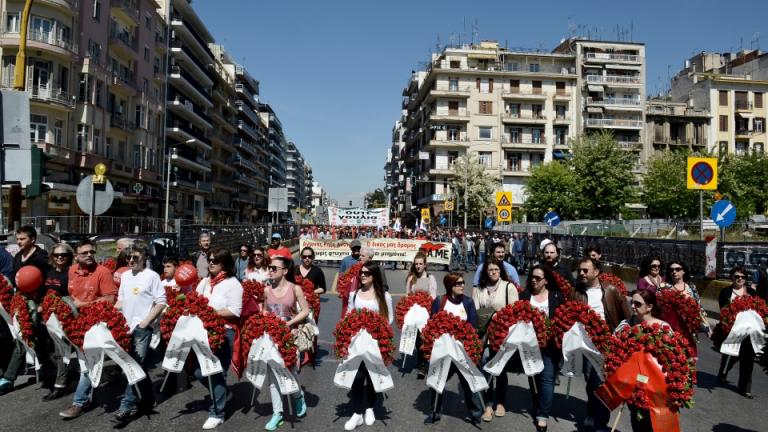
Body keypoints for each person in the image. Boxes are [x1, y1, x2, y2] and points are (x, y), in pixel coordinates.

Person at [569, 257, 631, 432]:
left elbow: (627, 317)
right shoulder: (575, 291)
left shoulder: (611, 291)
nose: (581, 273)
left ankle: (600, 422)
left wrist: (620, 340)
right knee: (591, 382)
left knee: (601, 383)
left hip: (608, 346)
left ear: (596, 272)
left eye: (585, 270)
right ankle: (592, 412)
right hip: (585, 345)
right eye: (579, 270)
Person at [59, 240, 117, 420]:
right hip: (75, 325)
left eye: (92, 252)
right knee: (86, 362)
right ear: (76, 256)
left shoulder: (103, 272)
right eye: (84, 253)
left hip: (95, 325)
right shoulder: (71, 271)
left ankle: (79, 402)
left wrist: (83, 305)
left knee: (88, 364)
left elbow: (109, 299)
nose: (89, 255)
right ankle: (98, 388)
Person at [113, 244, 166, 424]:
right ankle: (149, 399)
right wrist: (108, 315)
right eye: (128, 257)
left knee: (133, 366)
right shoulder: (126, 276)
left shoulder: (152, 276)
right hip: (126, 328)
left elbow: (161, 302)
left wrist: (145, 323)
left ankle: (126, 405)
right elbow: (121, 300)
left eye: (135, 257)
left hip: (142, 328)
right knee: (138, 366)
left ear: (144, 257)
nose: (131, 260)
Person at [424, 272, 482, 425]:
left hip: (462, 351)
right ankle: (434, 412)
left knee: (468, 383)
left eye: (463, 283)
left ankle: (476, 412)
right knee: (437, 382)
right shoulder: (440, 301)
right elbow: (432, 323)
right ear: (450, 286)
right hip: (444, 351)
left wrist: (462, 336)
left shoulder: (468, 302)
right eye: (458, 283)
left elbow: (473, 325)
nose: (462, 285)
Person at [194, 248, 242, 429]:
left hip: (224, 332)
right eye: (210, 260)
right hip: (202, 332)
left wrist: (211, 313)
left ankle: (217, 413)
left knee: (216, 372)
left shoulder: (233, 284)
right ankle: (222, 392)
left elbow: (235, 311)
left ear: (225, 264)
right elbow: (195, 300)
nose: (211, 263)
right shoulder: (205, 282)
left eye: (216, 260)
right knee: (199, 372)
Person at [261, 256, 309, 430]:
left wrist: (288, 323)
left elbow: (305, 311)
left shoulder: (295, 289)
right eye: (270, 267)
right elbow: (265, 310)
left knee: (289, 373)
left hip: (290, 336)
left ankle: (298, 396)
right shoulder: (267, 290)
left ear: (285, 271)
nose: (271, 270)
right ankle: (277, 414)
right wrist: (265, 321)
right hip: (271, 337)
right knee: (272, 376)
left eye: (274, 267)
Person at [344, 262, 393, 431]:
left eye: (366, 273)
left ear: (374, 276)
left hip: (375, 342)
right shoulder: (354, 294)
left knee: (372, 375)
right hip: (357, 342)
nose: (362, 275)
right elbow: (349, 316)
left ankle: (370, 408)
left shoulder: (384, 296)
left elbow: (388, 319)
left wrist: (375, 329)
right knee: (357, 377)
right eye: (361, 273)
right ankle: (357, 413)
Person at [519, 265, 565, 432]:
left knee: (547, 378)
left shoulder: (556, 296)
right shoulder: (524, 296)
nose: (534, 280)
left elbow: (563, 320)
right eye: (532, 277)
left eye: (538, 278)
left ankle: (542, 416)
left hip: (550, 346)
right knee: (535, 377)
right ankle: (538, 403)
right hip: (529, 345)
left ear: (546, 280)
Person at [473, 259, 519, 422]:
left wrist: (499, 318)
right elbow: (476, 311)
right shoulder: (479, 289)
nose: (493, 272)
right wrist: (490, 315)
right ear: (485, 271)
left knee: (501, 369)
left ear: (501, 271)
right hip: (484, 335)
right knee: (485, 366)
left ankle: (500, 402)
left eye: (496, 269)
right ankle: (487, 403)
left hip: (502, 335)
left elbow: (515, 312)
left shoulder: (509, 287)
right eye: (490, 269)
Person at [620, 289, 671, 432]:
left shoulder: (663, 328)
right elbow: (614, 348)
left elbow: (672, 357)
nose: (633, 306)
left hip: (655, 384)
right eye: (632, 303)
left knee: (652, 422)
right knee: (637, 420)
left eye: (638, 303)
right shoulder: (625, 325)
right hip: (633, 382)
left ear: (649, 307)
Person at [717, 266, 758, 399]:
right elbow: (724, 311)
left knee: (748, 360)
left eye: (742, 277)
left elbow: (759, 308)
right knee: (729, 355)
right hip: (733, 330)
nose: (740, 279)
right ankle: (723, 374)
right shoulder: (726, 292)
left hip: (750, 331)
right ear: (732, 278)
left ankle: (745, 388)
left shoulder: (752, 292)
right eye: (737, 277)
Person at [41, 243, 74, 401]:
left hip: (67, 317)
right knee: (55, 351)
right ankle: (68, 376)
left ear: (69, 256)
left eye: (64, 255)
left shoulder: (72, 273)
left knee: (61, 351)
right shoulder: (49, 272)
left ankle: (60, 385)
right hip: (50, 317)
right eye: (56, 255)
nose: (60, 257)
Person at [658, 260, 712, 355]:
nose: (674, 272)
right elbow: (658, 308)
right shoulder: (663, 287)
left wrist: (707, 327)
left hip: (688, 329)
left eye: (678, 269)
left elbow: (699, 307)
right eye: (671, 270)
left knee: (688, 356)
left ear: (684, 271)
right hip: (671, 328)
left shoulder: (691, 287)